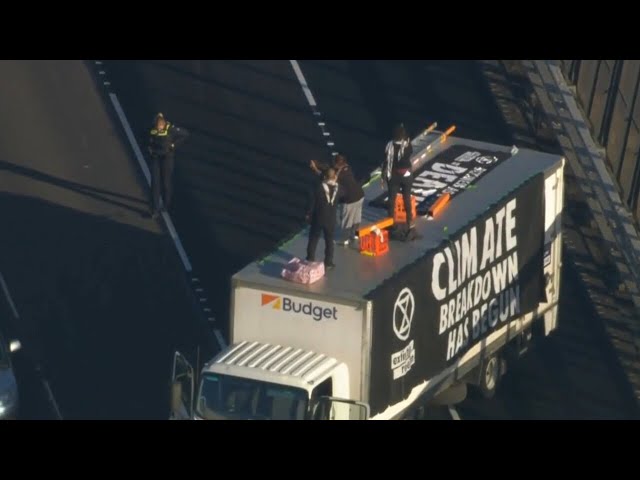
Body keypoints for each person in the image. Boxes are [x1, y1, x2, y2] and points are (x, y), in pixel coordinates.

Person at [310, 154, 364, 245]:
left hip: (350, 199)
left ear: (337, 164)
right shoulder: (347, 168)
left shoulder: (338, 176)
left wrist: (315, 169)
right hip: (360, 195)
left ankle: (344, 239)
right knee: (356, 217)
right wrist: (318, 164)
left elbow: (326, 178)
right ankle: (355, 234)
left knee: (347, 220)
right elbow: (329, 169)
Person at [148, 113, 189, 218]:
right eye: (157, 128)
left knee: (166, 183)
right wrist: (148, 148)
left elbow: (185, 134)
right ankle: (154, 209)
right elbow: (146, 137)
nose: (159, 131)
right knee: (155, 183)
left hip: (167, 158)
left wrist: (173, 145)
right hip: (155, 157)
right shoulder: (152, 128)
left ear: (163, 125)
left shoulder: (171, 129)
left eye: (160, 129)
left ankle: (166, 205)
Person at [306, 168, 342, 269]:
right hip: (331, 219)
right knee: (329, 241)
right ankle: (328, 262)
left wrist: (309, 214)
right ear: (334, 177)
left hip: (319, 218)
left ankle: (310, 259)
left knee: (313, 239)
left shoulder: (318, 188)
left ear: (325, 177)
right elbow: (344, 195)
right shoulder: (339, 189)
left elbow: (312, 203)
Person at [382, 123, 414, 230]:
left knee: (392, 199)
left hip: (393, 175)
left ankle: (391, 221)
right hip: (406, 174)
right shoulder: (407, 145)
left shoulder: (389, 145)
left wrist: (383, 175)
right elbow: (410, 153)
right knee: (406, 197)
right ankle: (409, 219)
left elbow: (386, 161)